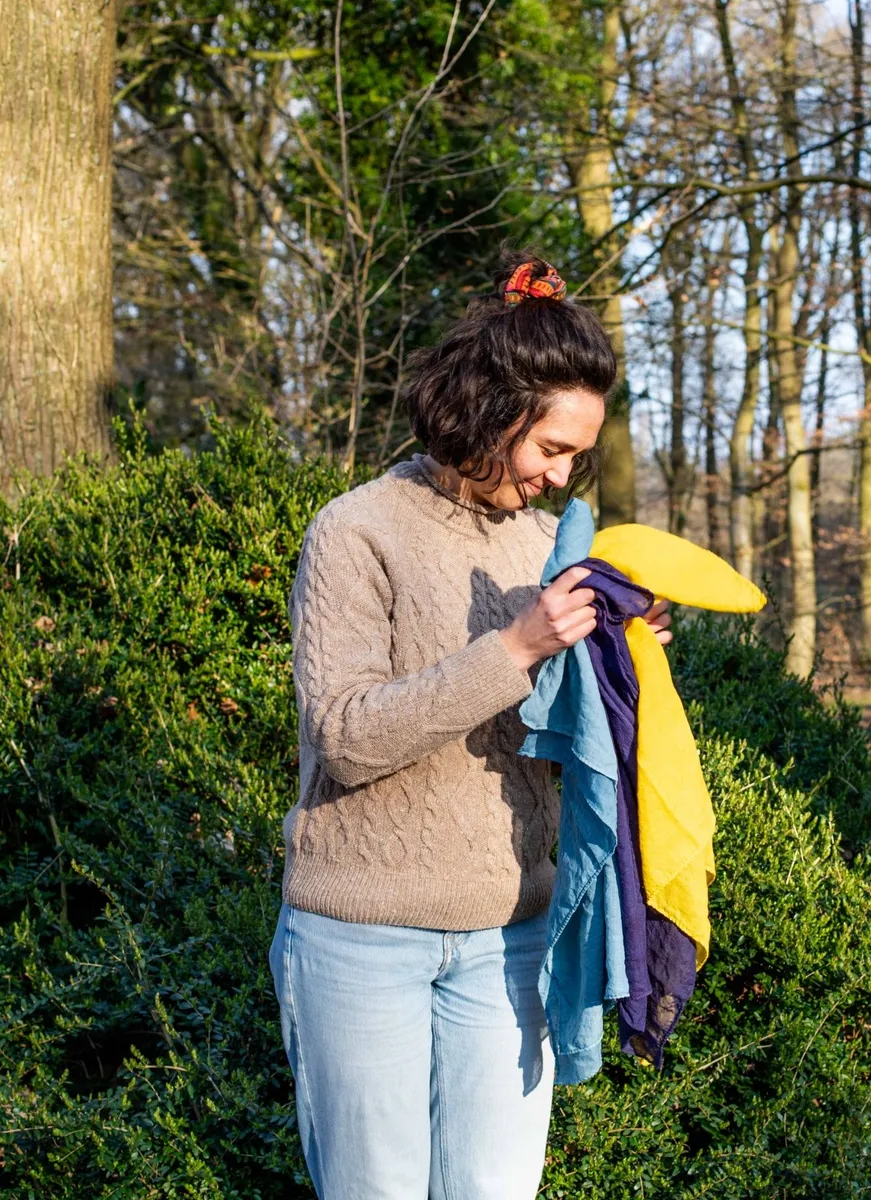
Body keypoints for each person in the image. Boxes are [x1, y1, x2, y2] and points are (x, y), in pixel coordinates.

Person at [270, 253, 671, 1200]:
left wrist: (624, 665)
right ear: (492, 414)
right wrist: (521, 647)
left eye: (578, 454)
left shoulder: (550, 545)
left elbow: (571, 750)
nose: (563, 474)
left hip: (513, 938)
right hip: (361, 939)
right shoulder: (357, 530)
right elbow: (348, 735)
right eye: (551, 449)